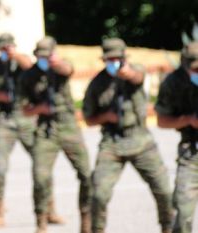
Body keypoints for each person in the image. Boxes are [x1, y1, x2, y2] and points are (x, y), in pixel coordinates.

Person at [83, 38, 173, 233]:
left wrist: (127, 73)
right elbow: (88, 118)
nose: (114, 62)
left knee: (164, 190)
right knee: (98, 193)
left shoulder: (134, 70)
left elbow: (137, 76)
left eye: (118, 58)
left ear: (124, 58)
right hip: (112, 142)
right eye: (110, 59)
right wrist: (105, 116)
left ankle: (167, 227)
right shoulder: (97, 84)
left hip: (141, 139)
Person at [0, 33, 64, 227]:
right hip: (6, 118)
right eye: (2, 48)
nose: (5, 51)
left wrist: (15, 56)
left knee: (42, 163)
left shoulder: (23, 62)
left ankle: (50, 209)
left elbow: (30, 67)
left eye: (8, 47)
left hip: (27, 118)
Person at [19, 36, 92, 233]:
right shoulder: (28, 76)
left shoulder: (60, 68)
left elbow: (67, 69)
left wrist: (55, 62)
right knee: (40, 177)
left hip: (68, 125)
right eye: (40, 56)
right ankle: (41, 222)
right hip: (45, 128)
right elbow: (24, 109)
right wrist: (38, 109)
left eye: (47, 56)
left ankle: (86, 221)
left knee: (86, 174)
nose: (43, 59)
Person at [155, 41, 198, 233]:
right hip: (192, 152)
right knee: (182, 210)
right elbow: (162, 121)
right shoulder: (173, 83)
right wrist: (188, 120)